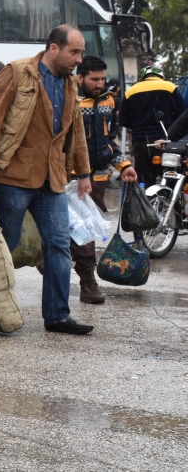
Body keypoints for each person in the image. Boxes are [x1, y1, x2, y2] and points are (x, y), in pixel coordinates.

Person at [0, 24, 94, 335]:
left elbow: (75, 130)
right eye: (74, 51)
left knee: (58, 246)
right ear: (54, 48)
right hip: (13, 175)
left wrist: (83, 173)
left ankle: (57, 316)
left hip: (52, 179)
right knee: (4, 246)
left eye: (81, 52)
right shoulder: (16, 72)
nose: (79, 58)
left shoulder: (70, 83)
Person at [74, 55, 138, 304]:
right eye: (94, 79)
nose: (100, 83)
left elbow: (110, 139)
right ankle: (85, 277)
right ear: (80, 78)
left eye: (102, 78)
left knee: (88, 229)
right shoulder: (70, 100)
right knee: (79, 228)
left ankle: (85, 278)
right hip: (71, 179)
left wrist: (124, 165)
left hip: (99, 176)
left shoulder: (110, 101)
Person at [121, 65, 185, 186]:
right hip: (165, 141)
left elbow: (123, 120)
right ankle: (171, 202)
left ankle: (145, 201)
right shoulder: (170, 87)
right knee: (171, 179)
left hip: (141, 142)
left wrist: (137, 127)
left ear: (143, 77)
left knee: (144, 180)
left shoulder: (131, 91)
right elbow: (182, 114)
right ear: (161, 76)